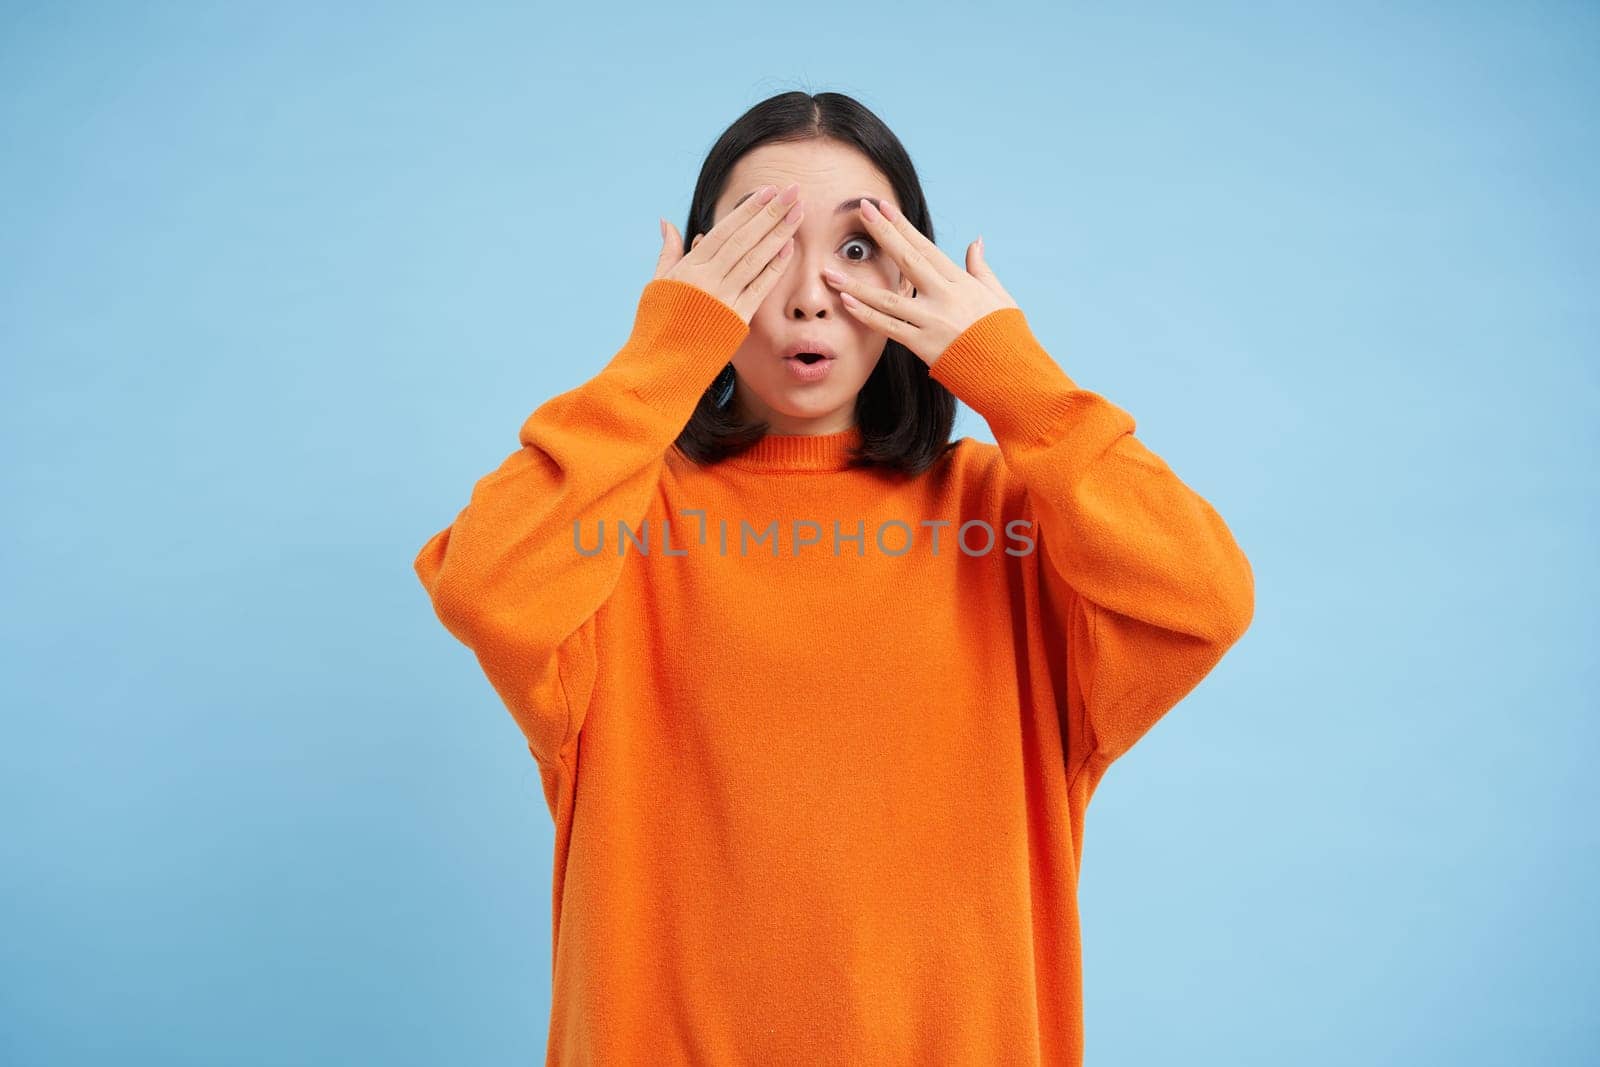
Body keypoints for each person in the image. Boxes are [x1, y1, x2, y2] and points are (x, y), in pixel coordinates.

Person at [413, 90, 1255, 1067]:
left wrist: (1006, 369)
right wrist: (661, 352)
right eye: (761, 247)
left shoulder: (1010, 519)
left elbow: (1203, 595)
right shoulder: (619, 519)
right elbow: (484, 584)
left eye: (856, 250)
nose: (809, 295)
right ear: (700, 276)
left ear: (918, 275)